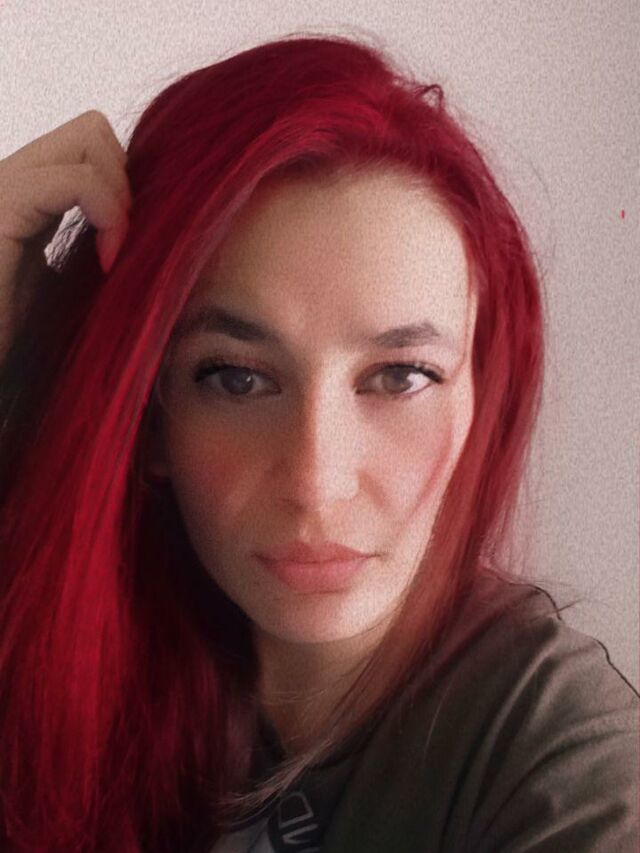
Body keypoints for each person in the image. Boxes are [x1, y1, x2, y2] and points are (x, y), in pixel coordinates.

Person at [0, 31, 637, 853]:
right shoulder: (65, 650)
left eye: (401, 375)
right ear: (149, 417)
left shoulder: (557, 754)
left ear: (479, 401)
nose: (315, 479)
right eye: (236, 378)